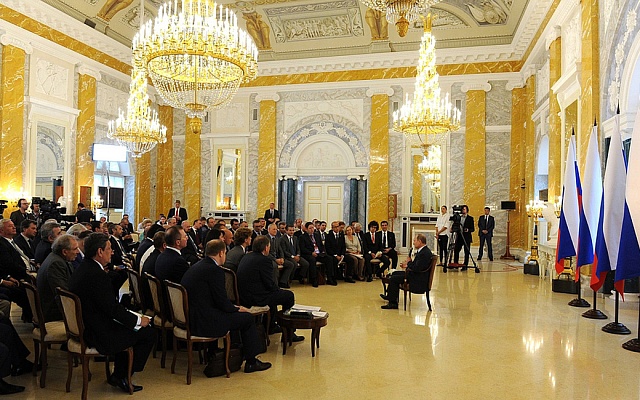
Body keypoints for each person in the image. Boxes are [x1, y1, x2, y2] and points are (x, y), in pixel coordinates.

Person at [68, 233, 154, 392]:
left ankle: (120, 373)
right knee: (147, 332)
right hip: (96, 332)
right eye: (109, 249)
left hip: (88, 325)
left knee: (131, 325)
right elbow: (112, 309)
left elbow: (107, 306)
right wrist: (138, 321)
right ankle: (122, 376)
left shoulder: (85, 268)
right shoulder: (96, 275)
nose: (112, 252)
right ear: (100, 252)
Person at [181, 240, 272, 374]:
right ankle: (252, 362)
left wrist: (232, 308)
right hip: (204, 322)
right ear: (221, 253)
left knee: (237, 317)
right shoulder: (215, 270)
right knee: (246, 318)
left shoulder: (198, 265)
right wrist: (236, 308)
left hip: (193, 316)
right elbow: (222, 302)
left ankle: (232, 351)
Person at [236, 236, 302, 341]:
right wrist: (278, 290)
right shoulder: (264, 260)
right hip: (256, 297)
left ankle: (271, 325)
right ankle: (289, 333)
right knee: (288, 296)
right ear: (266, 248)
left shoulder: (246, 256)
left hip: (244, 294)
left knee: (275, 296)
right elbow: (269, 283)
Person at [380, 234, 434, 309]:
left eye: (414, 241)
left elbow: (417, 268)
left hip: (417, 279)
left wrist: (408, 264)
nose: (413, 243)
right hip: (416, 274)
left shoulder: (424, 253)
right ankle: (391, 296)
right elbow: (417, 265)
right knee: (394, 273)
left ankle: (393, 303)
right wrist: (408, 264)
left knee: (394, 278)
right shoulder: (423, 251)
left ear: (420, 241)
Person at [36, 234, 79, 322]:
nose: (78, 252)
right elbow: (63, 294)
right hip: (54, 313)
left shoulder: (57, 258)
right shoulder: (56, 264)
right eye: (75, 249)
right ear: (64, 252)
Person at [299, 222, 333, 287]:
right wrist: (311, 253)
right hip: (308, 254)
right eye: (310, 228)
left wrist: (323, 251)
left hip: (318, 253)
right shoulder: (302, 237)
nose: (312, 229)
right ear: (306, 229)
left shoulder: (317, 235)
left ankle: (330, 278)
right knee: (312, 260)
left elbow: (321, 245)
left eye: (313, 228)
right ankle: (314, 279)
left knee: (329, 259)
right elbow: (302, 248)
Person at [453, 205, 474, 269]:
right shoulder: (459, 217)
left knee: (466, 252)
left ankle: (465, 265)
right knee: (456, 250)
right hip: (459, 236)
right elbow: (455, 225)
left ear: (467, 210)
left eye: (464, 209)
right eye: (462, 209)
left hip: (466, 237)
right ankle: (455, 264)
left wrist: (467, 230)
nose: (463, 210)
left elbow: (472, 229)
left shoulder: (470, 218)